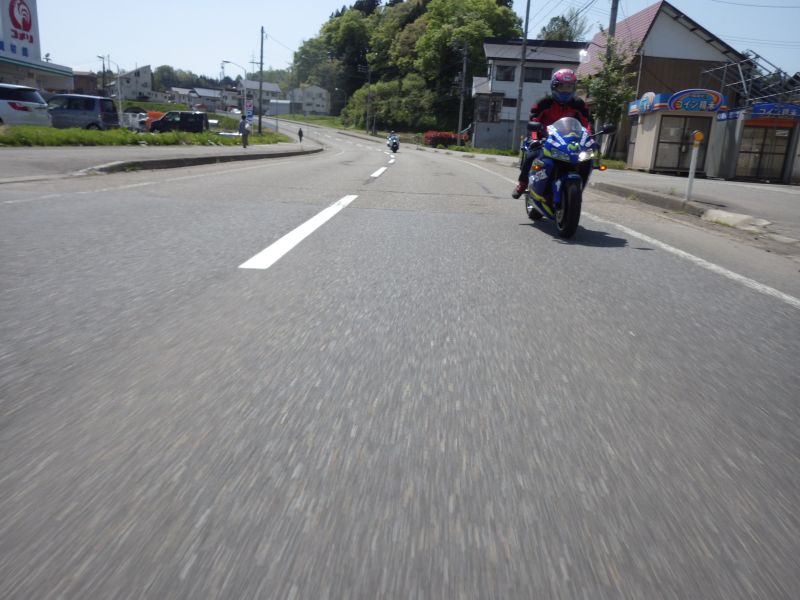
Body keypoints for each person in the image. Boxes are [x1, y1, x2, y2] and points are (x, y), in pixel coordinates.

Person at [512, 68, 593, 198]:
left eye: (569, 87)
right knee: (531, 156)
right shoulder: (544, 102)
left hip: (569, 142)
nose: (565, 91)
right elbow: (534, 120)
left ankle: (578, 189)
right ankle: (522, 184)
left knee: (587, 161)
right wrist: (535, 139)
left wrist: (590, 139)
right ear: (554, 86)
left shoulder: (578, 104)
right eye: (562, 87)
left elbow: (587, 124)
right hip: (544, 139)